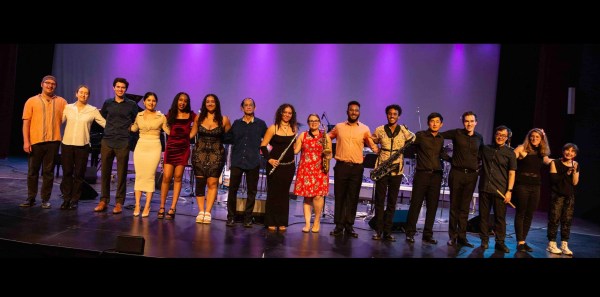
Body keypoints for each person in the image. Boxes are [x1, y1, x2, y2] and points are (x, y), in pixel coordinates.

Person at [328, 101, 379, 238]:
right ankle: (339, 225)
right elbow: (327, 138)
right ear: (347, 111)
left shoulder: (364, 129)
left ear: (359, 112)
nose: (354, 112)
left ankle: (349, 225)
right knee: (339, 197)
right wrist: (325, 148)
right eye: (351, 110)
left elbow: (372, 145)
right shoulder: (339, 127)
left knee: (353, 197)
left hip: (357, 168)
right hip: (341, 167)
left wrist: (380, 149)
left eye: (356, 110)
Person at [20, 75, 68, 208]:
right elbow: (26, 123)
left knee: (48, 172)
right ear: (42, 84)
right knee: (32, 171)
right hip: (36, 141)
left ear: (55, 86)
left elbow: (73, 115)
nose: (50, 85)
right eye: (47, 83)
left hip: (53, 142)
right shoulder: (31, 101)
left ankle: (45, 199)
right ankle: (31, 198)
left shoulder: (62, 102)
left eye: (53, 84)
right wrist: (26, 141)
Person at [370, 104, 415, 241]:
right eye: (390, 113)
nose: (392, 116)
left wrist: (407, 130)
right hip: (382, 168)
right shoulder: (379, 129)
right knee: (379, 200)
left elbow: (413, 139)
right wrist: (375, 149)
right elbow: (371, 140)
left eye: (395, 114)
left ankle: (388, 231)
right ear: (387, 115)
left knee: (392, 202)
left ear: (398, 116)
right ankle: (378, 230)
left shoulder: (403, 130)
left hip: (397, 169)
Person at [94, 78, 139, 214]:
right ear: (114, 88)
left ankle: (119, 202)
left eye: (123, 87)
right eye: (118, 87)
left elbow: (137, 120)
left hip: (123, 141)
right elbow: (101, 118)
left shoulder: (131, 104)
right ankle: (104, 200)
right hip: (107, 140)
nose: (120, 89)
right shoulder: (108, 103)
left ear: (125, 89)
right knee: (105, 172)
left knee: (121, 173)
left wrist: (131, 129)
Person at [440, 111, 484, 247]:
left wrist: (478, 167)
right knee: (454, 206)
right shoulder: (457, 133)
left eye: (471, 121)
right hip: (457, 174)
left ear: (476, 122)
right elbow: (438, 136)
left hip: (471, 176)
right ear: (463, 122)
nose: (469, 123)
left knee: (465, 208)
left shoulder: (479, 137)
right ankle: (453, 236)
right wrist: (448, 159)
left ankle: (462, 237)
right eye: (466, 121)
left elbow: (481, 154)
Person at [405, 112, 448, 245]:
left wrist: (454, 159)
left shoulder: (441, 138)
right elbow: (409, 146)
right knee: (416, 204)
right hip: (422, 174)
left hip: (436, 175)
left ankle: (427, 235)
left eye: (437, 121)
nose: (434, 124)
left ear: (441, 124)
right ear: (428, 123)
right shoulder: (420, 135)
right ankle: (410, 233)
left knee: (432, 206)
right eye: (432, 121)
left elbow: (441, 154)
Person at [60, 85, 106, 210]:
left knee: (79, 174)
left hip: (83, 146)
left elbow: (104, 123)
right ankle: (66, 199)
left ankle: (75, 200)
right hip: (67, 144)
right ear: (76, 94)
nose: (83, 95)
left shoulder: (93, 110)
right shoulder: (68, 107)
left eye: (86, 93)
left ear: (88, 96)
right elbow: (59, 121)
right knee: (67, 173)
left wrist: (119, 126)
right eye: (81, 92)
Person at [224, 98, 267, 227]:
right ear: (242, 108)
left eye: (251, 105)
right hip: (237, 160)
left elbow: (268, 139)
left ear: (255, 107)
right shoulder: (237, 124)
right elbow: (228, 138)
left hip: (253, 161)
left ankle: (248, 218)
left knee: (251, 191)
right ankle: (231, 217)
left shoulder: (260, 124)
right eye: (246, 105)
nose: (248, 107)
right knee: (232, 190)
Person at [192, 94, 231, 224]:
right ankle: (200, 211)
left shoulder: (224, 119)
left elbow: (230, 137)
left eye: (212, 101)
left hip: (217, 155)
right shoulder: (199, 118)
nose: (210, 103)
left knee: (212, 184)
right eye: (207, 102)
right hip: (199, 154)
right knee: (200, 183)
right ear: (204, 104)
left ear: (217, 103)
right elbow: (191, 134)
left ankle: (208, 212)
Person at [477, 125, 516, 253]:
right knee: (484, 216)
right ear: (495, 135)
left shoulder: (510, 152)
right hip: (485, 188)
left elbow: (512, 173)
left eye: (503, 135)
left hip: (501, 190)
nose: (500, 137)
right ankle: (484, 240)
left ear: (507, 138)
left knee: (500, 218)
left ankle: (500, 242)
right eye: (498, 134)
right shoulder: (486, 149)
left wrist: (509, 191)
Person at [512, 128, 552, 252]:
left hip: (536, 186)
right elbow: (509, 160)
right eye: (532, 136)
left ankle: (523, 240)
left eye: (537, 137)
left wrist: (565, 162)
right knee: (521, 212)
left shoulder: (542, 152)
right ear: (529, 137)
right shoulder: (521, 149)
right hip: (522, 185)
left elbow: (548, 161)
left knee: (529, 214)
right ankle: (520, 242)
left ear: (541, 139)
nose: (534, 139)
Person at [130, 92, 169, 217]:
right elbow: (133, 129)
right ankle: (137, 204)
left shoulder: (161, 117)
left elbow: (168, 131)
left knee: (150, 176)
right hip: (141, 146)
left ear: (156, 102)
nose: (151, 103)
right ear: (144, 102)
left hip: (154, 146)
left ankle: (147, 205)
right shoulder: (139, 115)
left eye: (153, 101)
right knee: (140, 175)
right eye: (149, 100)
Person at [260, 103, 298, 231]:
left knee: (283, 194)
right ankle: (271, 220)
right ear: (280, 113)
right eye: (285, 112)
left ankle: (282, 221)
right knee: (273, 193)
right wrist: (269, 159)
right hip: (274, 165)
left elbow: (296, 149)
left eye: (290, 113)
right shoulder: (273, 128)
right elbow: (263, 146)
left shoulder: (294, 129)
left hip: (288, 166)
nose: (287, 115)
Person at [158, 92, 196, 220]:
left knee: (178, 177)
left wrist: (189, 137)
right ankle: (162, 206)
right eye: (180, 100)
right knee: (167, 177)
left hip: (183, 149)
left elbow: (199, 122)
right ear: (177, 101)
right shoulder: (171, 114)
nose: (182, 102)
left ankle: (173, 207)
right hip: (171, 147)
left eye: (185, 100)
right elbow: (164, 125)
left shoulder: (191, 115)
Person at [293, 113, 332, 233]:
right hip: (305, 169)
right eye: (310, 121)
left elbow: (330, 154)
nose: (313, 122)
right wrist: (293, 136)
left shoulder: (325, 136)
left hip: (320, 169)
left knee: (318, 196)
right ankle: (307, 223)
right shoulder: (303, 135)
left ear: (319, 122)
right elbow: (296, 151)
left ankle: (316, 221)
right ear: (308, 122)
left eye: (315, 120)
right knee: (307, 197)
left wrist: (327, 154)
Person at [546, 143, 580, 256]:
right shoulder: (554, 162)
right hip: (557, 195)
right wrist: (567, 172)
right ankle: (551, 244)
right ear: (563, 151)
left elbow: (575, 182)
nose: (569, 153)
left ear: (575, 154)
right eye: (567, 150)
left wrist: (574, 171)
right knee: (554, 219)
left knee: (567, 220)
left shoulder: (575, 164)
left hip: (569, 196)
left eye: (572, 151)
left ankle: (564, 244)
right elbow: (554, 180)